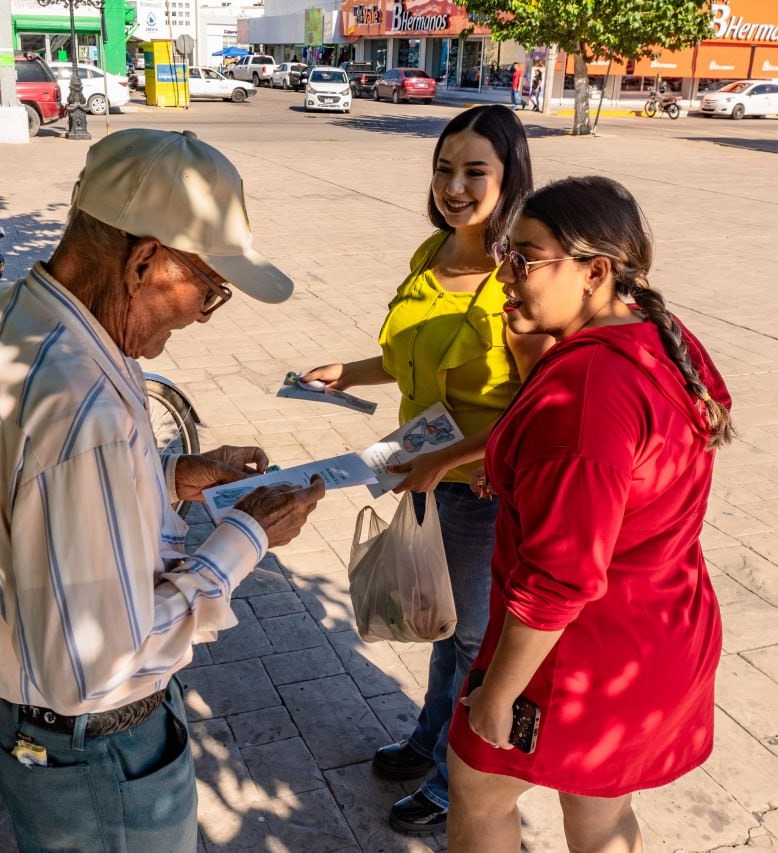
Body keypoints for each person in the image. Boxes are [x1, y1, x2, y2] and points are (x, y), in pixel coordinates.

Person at [0, 129, 325, 853]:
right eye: (209, 289)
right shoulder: (84, 408)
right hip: (100, 751)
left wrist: (171, 476)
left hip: (37, 729)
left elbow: (35, 500)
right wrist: (247, 537)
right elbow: (102, 659)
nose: (201, 314)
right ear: (145, 261)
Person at [446, 176, 733, 852]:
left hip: (577, 656)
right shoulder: (658, 334)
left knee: (479, 792)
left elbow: (561, 577)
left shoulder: (585, 391)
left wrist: (498, 694)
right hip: (659, 631)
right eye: (506, 255)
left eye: (525, 259)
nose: (504, 275)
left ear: (595, 272)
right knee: (600, 814)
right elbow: (633, 470)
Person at [301, 105, 546, 837]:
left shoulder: (517, 280)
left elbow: (537, 406)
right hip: (420, 473)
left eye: (475, 171)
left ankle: (451, 780)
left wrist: (450, 460)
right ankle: (426, 739)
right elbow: (407, 356)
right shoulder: (430, 254)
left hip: (478, 489)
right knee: (443, 624)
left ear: (510, 178)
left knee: (469, 639)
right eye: (444, 169)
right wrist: (349, 372)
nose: (455, 187)